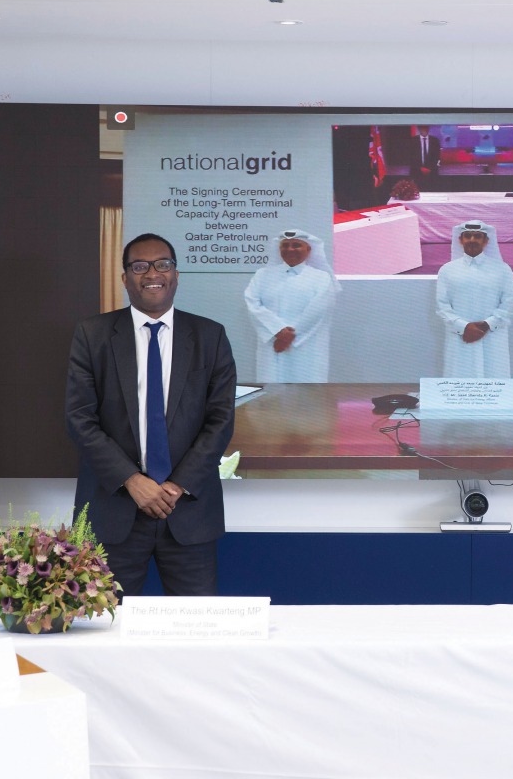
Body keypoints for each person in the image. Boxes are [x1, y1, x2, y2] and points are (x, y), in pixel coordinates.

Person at [66, 233, 236, 597]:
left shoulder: (210, 336)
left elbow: (220, 421)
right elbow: (80, 419)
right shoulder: (92, 335)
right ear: (125, 277)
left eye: (163, 264)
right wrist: (132, 481)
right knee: (104, 632)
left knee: (196, 632)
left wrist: (175, 486)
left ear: (176, 275)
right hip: (114, 512)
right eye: (139, 266)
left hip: (188, 511)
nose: (152, 273)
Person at [244, 229, 339, 382]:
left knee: (307, 396)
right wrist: (277, 330)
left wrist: (289, 336)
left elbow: (319, 311)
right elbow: (252, 303)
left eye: (296, 245)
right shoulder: (263, 275)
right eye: (285, 245)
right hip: (272, 342)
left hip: (307, 345)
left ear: (308, 249)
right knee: (271, 395)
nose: (290, 249)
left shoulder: (321, 277)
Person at [436, 220, 513, 378]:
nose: (472, 240)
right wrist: (464, 327)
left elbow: (509, 304)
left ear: (486, 241)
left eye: (477, 236)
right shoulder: (447, 270)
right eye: (468, 236)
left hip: (493, 335)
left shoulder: (502, 269)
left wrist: (487, 325)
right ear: (460, 240)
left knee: (494, 376)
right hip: (460, 335)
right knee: (460, 380)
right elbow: (442, 306)